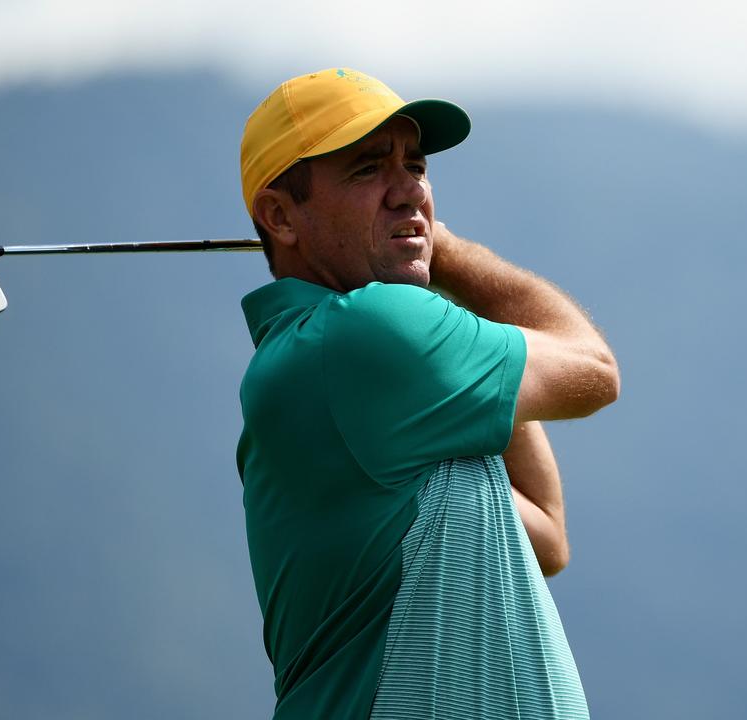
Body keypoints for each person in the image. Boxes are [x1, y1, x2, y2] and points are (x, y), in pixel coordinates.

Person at [235, 68, 620, 719]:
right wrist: (454, 257)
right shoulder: (366, 334)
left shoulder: (347, 361)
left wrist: (435, 297)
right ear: (279, 215)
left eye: (414, 165)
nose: (409, 190)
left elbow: (547, 536)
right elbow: (594, 369)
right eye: (367, 170)